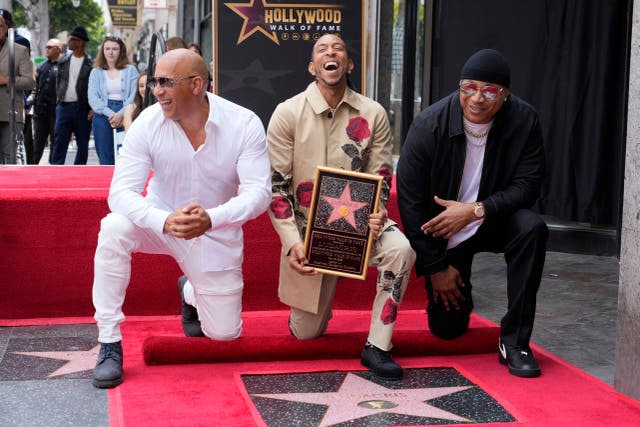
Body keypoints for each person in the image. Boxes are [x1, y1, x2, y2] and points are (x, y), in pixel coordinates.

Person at [91, 48, 271, 388]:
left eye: (165, 82)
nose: (155, 90)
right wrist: (162, 220)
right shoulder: (148, 122)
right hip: (158, 222)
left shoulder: (243, 123)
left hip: (216, 232)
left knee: (224, 335)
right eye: (155, 81)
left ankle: (190, 291)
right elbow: (120, 193)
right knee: (113, 226)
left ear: (196, 84)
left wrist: (211, 218)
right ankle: (109, 340)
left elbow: (258, 194)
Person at [267, 34, 416, 380]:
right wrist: (293, 243)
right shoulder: (286, 114)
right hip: (308, 233)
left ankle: (378, 345)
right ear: (312, 67)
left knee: (401, 250)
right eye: (322, 49)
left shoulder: (373, 113)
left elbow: (381, 174)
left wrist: (377, 212)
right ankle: (312, 308)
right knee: (306, 333)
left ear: (348, 65)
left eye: (338, 49)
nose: (330, 52)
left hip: (361, 224)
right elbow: (276, 188)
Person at [396, 49, 548, 378]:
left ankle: (515, 341)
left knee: (532, 228)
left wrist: (476, 210)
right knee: (447, 328)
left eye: (490, 90)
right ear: (459, 87)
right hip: (445, 228)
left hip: (493, 218)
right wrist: (435, 267)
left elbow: (529, 185)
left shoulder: (524, 120)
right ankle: (460, 287)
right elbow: (410, 201)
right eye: (469, 87)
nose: (477, 98)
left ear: (505, 95)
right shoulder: (429, 125)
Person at [88, 36, 137, 165]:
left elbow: (134, 95)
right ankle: (107, 184)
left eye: (115, 49)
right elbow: (93, 98)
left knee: (125, 154)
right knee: (105, 157)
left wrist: (121, 114)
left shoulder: (131, 70)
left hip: (126, 113)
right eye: (107, 48)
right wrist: (111, 114)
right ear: (103, 51)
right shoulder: (95, 72)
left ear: (121, 51)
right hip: (103, 114)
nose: (110, 52)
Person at [50, 25, 93, 165]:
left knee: (82, 143)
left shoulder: (90, 64)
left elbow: (93, 87)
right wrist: (58, 102)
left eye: (73, 39)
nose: (69, 42)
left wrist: (92, 108)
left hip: (83, 109)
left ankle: (79, 171)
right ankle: (56, 170)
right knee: (59, 141)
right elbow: (58, 83)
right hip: (64, 107)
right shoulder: (63, 61)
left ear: (80, 42)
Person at [0, 9, 35, 164]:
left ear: (7, 28)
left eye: (0, 26)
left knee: (12, 156)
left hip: (10, 112)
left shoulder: (20, 50)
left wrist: (6, 80)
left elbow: (30, 81)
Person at [32, 38, 63, 164]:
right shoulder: (42, 66)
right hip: (41, 111)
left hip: (56, 110)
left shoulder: (63, 66)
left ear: (58, 49)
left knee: (55, 141)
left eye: (50, 47)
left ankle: (53, 168)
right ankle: (32, 167)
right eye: (46, 47)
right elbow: (36, 87)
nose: (47, 49)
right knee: (37, 142)